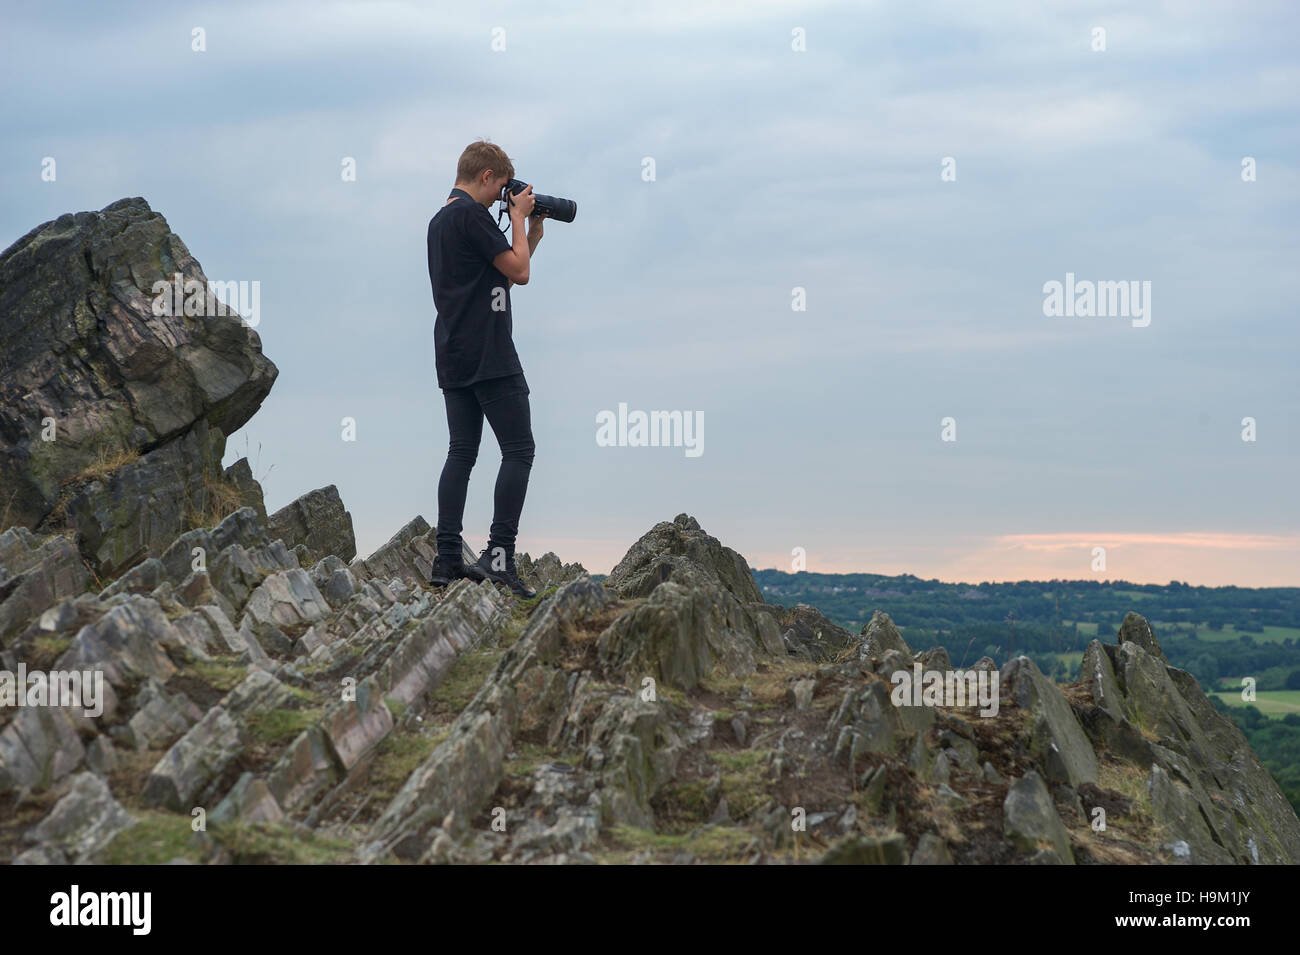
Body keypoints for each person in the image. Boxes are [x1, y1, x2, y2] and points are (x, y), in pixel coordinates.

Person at [425, 139, 543, 598]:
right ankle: (498, 557)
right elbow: (521, 274)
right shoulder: (471, 215)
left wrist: (530, 232)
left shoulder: (441, 221)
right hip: (490, 353)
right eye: (500, 191)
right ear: (487, 177)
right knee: (519, 449)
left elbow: (506, 268)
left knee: (462, 452)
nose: (501, 199)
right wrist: (516, 218)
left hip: (452, 352)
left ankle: (446, 557)